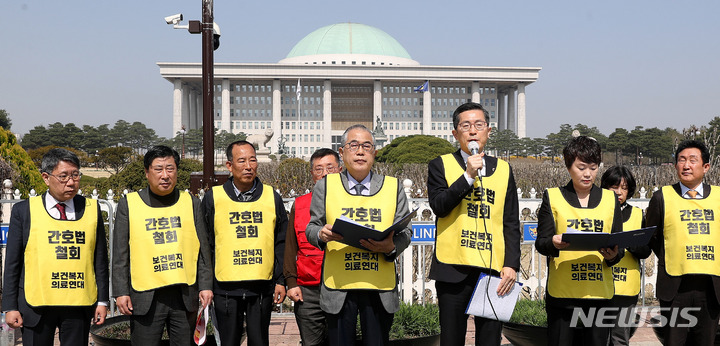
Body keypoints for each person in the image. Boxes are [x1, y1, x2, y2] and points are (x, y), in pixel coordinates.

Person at [306, 124, 412, 346]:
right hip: (339, 286)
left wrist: (390, 247)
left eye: (366, 146)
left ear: (374, 152)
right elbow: (312, 227)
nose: (360, 151)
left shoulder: (393, 187)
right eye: (353, 145)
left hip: (379, 287)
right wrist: (321, 234)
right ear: (342, 153)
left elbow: (405, 232)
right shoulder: (325, 186)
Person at [427, 102, 520, 346]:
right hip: (452, 269)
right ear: (455, 133)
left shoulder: (503, 169)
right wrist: (468, 175)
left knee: (490, 339)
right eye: (465, 126)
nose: (472, 131)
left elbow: (510, 220)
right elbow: (439, 205)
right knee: (452, 338)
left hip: (492, 271)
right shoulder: (440, 164)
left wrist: (511, 264)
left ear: (488, 131)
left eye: (479, 125)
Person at [2, 148, 109, 345]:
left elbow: (100, 260)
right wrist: (10, 306)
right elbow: (12, 263)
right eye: (63, 176)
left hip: (78, 304)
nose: (71, 182)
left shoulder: (91, 210)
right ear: (46, 177)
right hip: (36, 306)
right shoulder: (24, 211)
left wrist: (102, 301)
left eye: (75, 175)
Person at [112, 145, 213, 346]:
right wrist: (121, 292)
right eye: (158, 169)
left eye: (170, 168)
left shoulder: (190, 202)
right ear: (147, 173)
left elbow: (202, 249)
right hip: (145, 297)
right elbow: (120, 253)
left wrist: (206, 286)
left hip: (184, 295)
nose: (165, 175)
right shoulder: (129, 204)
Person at [535, 135, 624, 346]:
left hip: (599, 295)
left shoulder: (610, 199)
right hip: (563, 296)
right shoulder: (553, 196)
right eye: (581, 167)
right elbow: (541, 242)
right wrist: (553, 243)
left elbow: (619, 246)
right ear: (568, 165)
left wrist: (613, 255)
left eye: (593, 168)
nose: (588, 174)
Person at [201, 140, 288, 346]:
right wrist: (206, 285)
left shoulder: (271, 196)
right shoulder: (214, 197)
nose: (249, 166)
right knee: (228, 341)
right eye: (242, 161)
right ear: (229, 165)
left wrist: (280, 280)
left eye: (253, 160)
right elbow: (205, 244)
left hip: (261, 287)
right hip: (225, 288)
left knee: (259, 341)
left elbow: (281, 241)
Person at [646, 139, 720, 345]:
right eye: (681, 160)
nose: (686, 165)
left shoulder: (719, 197)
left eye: (692, 160)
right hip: (675, 287)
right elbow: (653, 237)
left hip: (711, 287)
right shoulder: (662, 197)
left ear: (706, 166)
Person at [284, 148, 340, 346]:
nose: (324, 173)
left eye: (330, 167)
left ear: (340, 169)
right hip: (308, 289)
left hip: (341, 286)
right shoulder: (300, 204)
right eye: (319, 169)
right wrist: (291, 283)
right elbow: (290, 246)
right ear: (312, 174)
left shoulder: (350, 203)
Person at [600, 166, 651, 346]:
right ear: (605, 187)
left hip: (625, 287)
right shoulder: (596, 214)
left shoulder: (637, 214)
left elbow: (646, 250)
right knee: (597, 336)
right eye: (614, 187)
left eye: (624, 188)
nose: (619, 192)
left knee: (620, 337)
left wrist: (627, 242)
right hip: (597, 285)